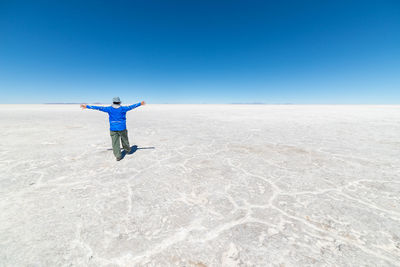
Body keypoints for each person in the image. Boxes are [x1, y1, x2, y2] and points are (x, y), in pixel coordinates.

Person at [80, 97, 146, 161]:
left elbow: (99, 108)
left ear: (113, 102)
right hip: (122, 128)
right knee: (125, 140)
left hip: (113, 128)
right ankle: (128, 150)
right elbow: (132, 106)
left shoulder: (109, 109)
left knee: (115, 143)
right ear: (119, 102)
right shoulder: (123, 108)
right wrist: (140, 103)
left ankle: (118, 156)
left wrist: (87, 106)